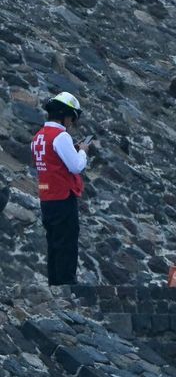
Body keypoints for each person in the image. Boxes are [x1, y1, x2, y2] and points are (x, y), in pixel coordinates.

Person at [31, 92, 92, 286]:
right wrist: (82, 151)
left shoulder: (38, 137)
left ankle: (55, 285)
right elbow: (76, 166)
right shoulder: (61, 136)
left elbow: (50, 163)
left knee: (54, 244)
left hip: (46, 196)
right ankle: (67, 286)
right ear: (66, 116)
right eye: (72, 118)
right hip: (63, 196)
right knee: (66, 243)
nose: (71, 123)